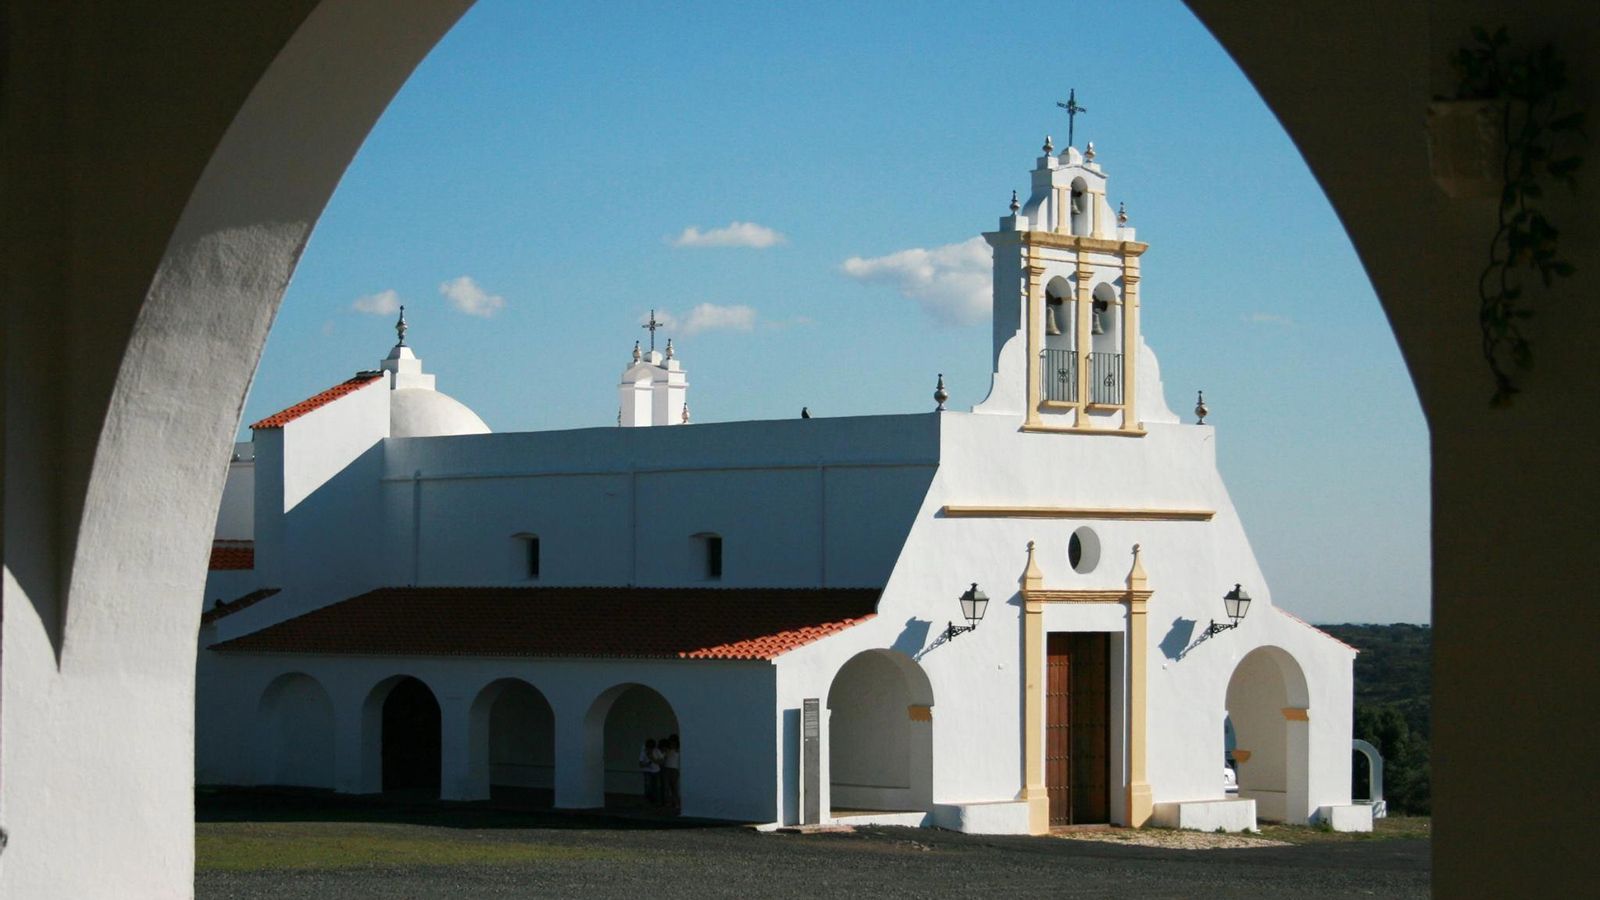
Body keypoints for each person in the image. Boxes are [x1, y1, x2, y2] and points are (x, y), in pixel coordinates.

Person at [638, 738, 660, 806]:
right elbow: (640, 764)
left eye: (651, 748)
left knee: (655, 786)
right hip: (647, 771)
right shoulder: (643, 752)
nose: (650, 749)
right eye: (649, 747)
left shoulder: (656, 751)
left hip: (656, 771)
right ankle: (648, 800)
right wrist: (647, 764)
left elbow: (660, 761)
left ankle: (655, 800)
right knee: (648, 786)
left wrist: (651, 757)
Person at [662, 734, 681, 811]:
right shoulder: (667, 750)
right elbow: (663, 758)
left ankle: (676, 803)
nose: (672, 744)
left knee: (674, 788)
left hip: (674, 770)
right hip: (667, 769)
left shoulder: (678, 750)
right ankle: (668, 803)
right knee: (667, 787)